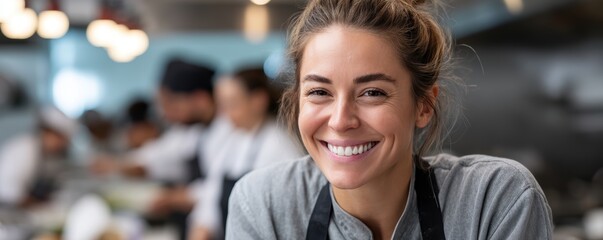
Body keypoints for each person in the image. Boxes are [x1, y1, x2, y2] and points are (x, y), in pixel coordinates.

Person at [226, 0, 554, 239]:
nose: (340, 121)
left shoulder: (494, 201)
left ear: (424, 105)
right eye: (319, 92)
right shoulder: (265, 204)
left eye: (372, 93)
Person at [91, 58, 233, 240]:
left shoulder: (229, 131)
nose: (166, 113)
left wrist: (175, 197)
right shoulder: (193, 129)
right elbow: (159, 154)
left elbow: (217, 191)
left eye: (171, 103)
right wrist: (118, 164)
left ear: (200, 99)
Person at [189, 68, 302, 240]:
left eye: (232, 104)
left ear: (258, 101)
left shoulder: (280, 146)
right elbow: (211, 197)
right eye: (222, 106)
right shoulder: (230, 140)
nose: (225, 114)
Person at [0, 106, 77, 207]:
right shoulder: (26, 150)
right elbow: (9, 193)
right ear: (47, 132)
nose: (61, 145)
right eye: (60, 139)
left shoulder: (44, 154)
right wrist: (38, 205)